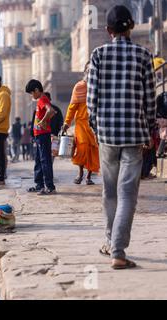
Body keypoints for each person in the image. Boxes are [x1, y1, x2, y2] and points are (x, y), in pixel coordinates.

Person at [87, 5, 156, 269]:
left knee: (110, 191)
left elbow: (91, 100)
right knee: (127, 194)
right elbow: (150, 99)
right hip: (134, 133)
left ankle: (110, 242)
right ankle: (117, 249)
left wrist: (96, 126)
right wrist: (149, 128)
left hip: (107, 133)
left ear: (108, 30)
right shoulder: (143, 55)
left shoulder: (98, 55)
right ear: (131, 28)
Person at [61, 62, 100, 185]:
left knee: (93, 150)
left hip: (95, 125)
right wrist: (67, 122)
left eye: (92, 71)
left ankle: (88, 176)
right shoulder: (79, 87)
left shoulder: (98, 87)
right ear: (85, 72)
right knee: (82, 147)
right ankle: (80, 173)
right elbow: (72, 107)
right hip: (81, 124)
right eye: (88, 71)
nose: (90, 73)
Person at [25, 79, 56, 195]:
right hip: (39, 136)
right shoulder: (40, 100)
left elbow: (51, 111)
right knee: (39, 160)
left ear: (37, 90)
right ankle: (39, 185)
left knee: (45, 161)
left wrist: (43, 121)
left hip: (43, 135)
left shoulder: (43, 99)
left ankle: (50, 186)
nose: (32, 96)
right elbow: (51, 112)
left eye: (32, 93)